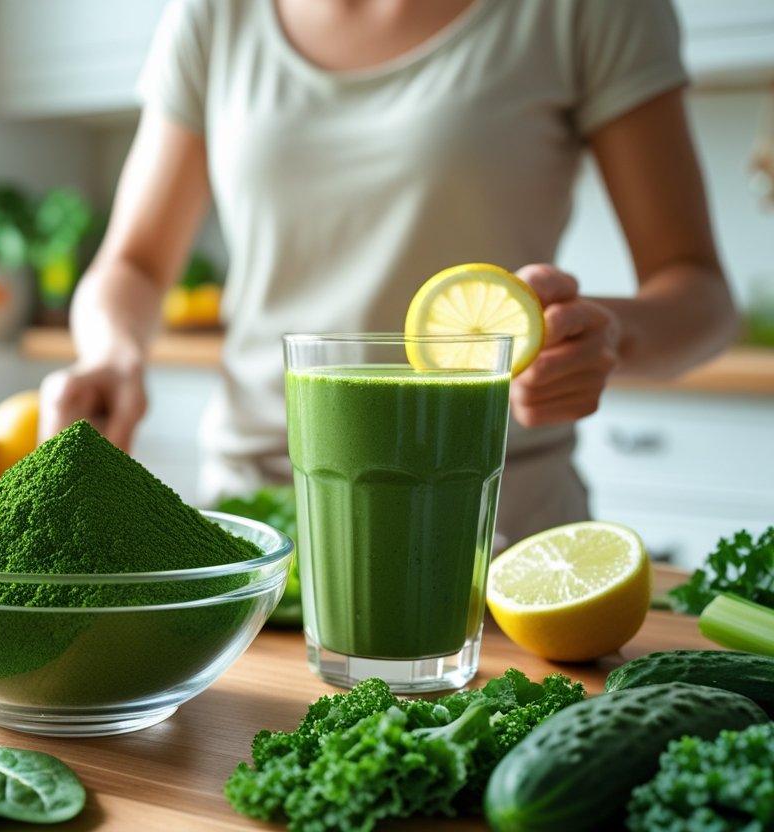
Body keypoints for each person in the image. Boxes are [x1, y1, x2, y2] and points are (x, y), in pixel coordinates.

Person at [37, 0, 738, 544]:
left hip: (491, 531)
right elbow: (132, 262)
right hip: (256, 523)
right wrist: (114, 355)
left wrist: (610, 336)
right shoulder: (218, 13)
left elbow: (699, 292)